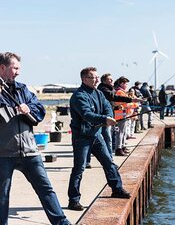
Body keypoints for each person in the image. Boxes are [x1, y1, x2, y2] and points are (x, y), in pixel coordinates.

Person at [0, 52, 70, 225]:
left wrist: (28, 109)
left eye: (19, 68)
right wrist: (13, 111)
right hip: (3, 154)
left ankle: (61, 222)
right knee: (2, 195)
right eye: (15, 68)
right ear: (2, 68)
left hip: (30, 151)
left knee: (46, 189)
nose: (18, 72)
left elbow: (39, 110)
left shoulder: (23, 89)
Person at [68, 67, 130, 211]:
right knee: (79, 168)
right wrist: (104, 119)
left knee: (109, 162)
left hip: (96, 135)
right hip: (81, 138)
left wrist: (109, 116)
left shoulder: (98, 93)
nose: (96, 80)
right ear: (84, 79)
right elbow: (86, 114)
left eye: (97, 77)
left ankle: (117, 189)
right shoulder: (78, 96)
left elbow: (107, 107)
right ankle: (73, 199)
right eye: (93, 78)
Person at [113, 76, 138, 156]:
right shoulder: (120, 92)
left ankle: (122, 146)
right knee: (120, 132)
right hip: (120, 113)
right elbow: (125, 104)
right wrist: (135, 104)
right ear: (121, 83)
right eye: (126, 84)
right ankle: (118, 148)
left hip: (124, 113)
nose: (127, 85)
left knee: (123, 131)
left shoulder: (122, 92)